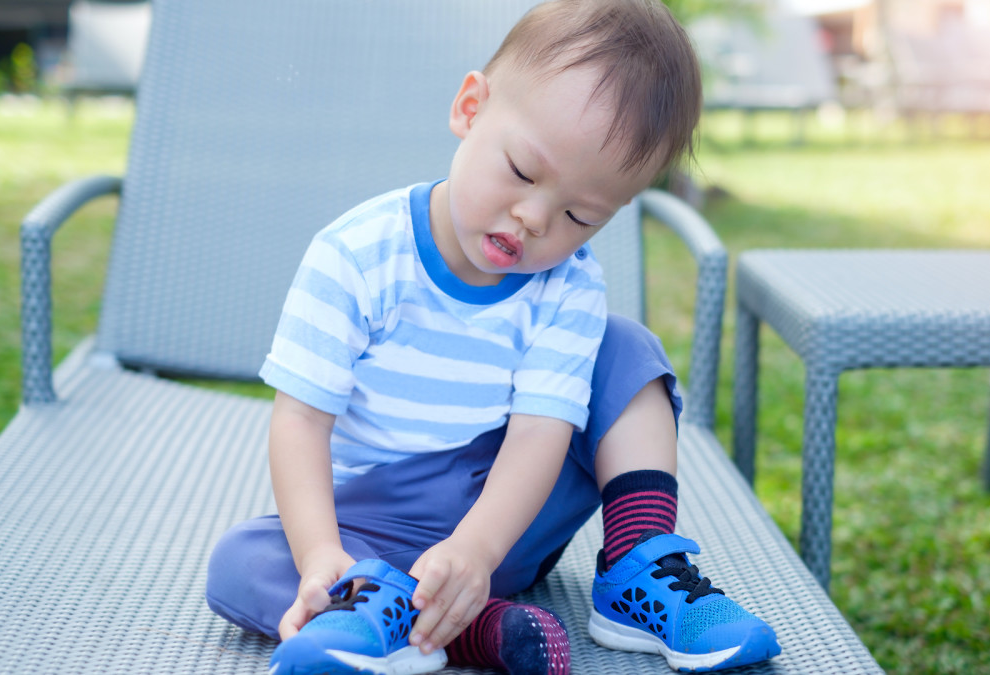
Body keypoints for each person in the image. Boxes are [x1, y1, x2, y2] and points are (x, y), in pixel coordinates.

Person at [205, 1, 781, 673]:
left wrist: (478, 551)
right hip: (379, 528)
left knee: (626, 348)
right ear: (470, 107)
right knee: (239, 562)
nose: (535, 218)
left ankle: (635, 569)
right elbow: (301, 418)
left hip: (511, 511)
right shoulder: (358, 255)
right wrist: (319, 557)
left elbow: (540, 434)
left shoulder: (566, 286)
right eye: (522, 171)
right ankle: (457, 628)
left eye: (579, 215)